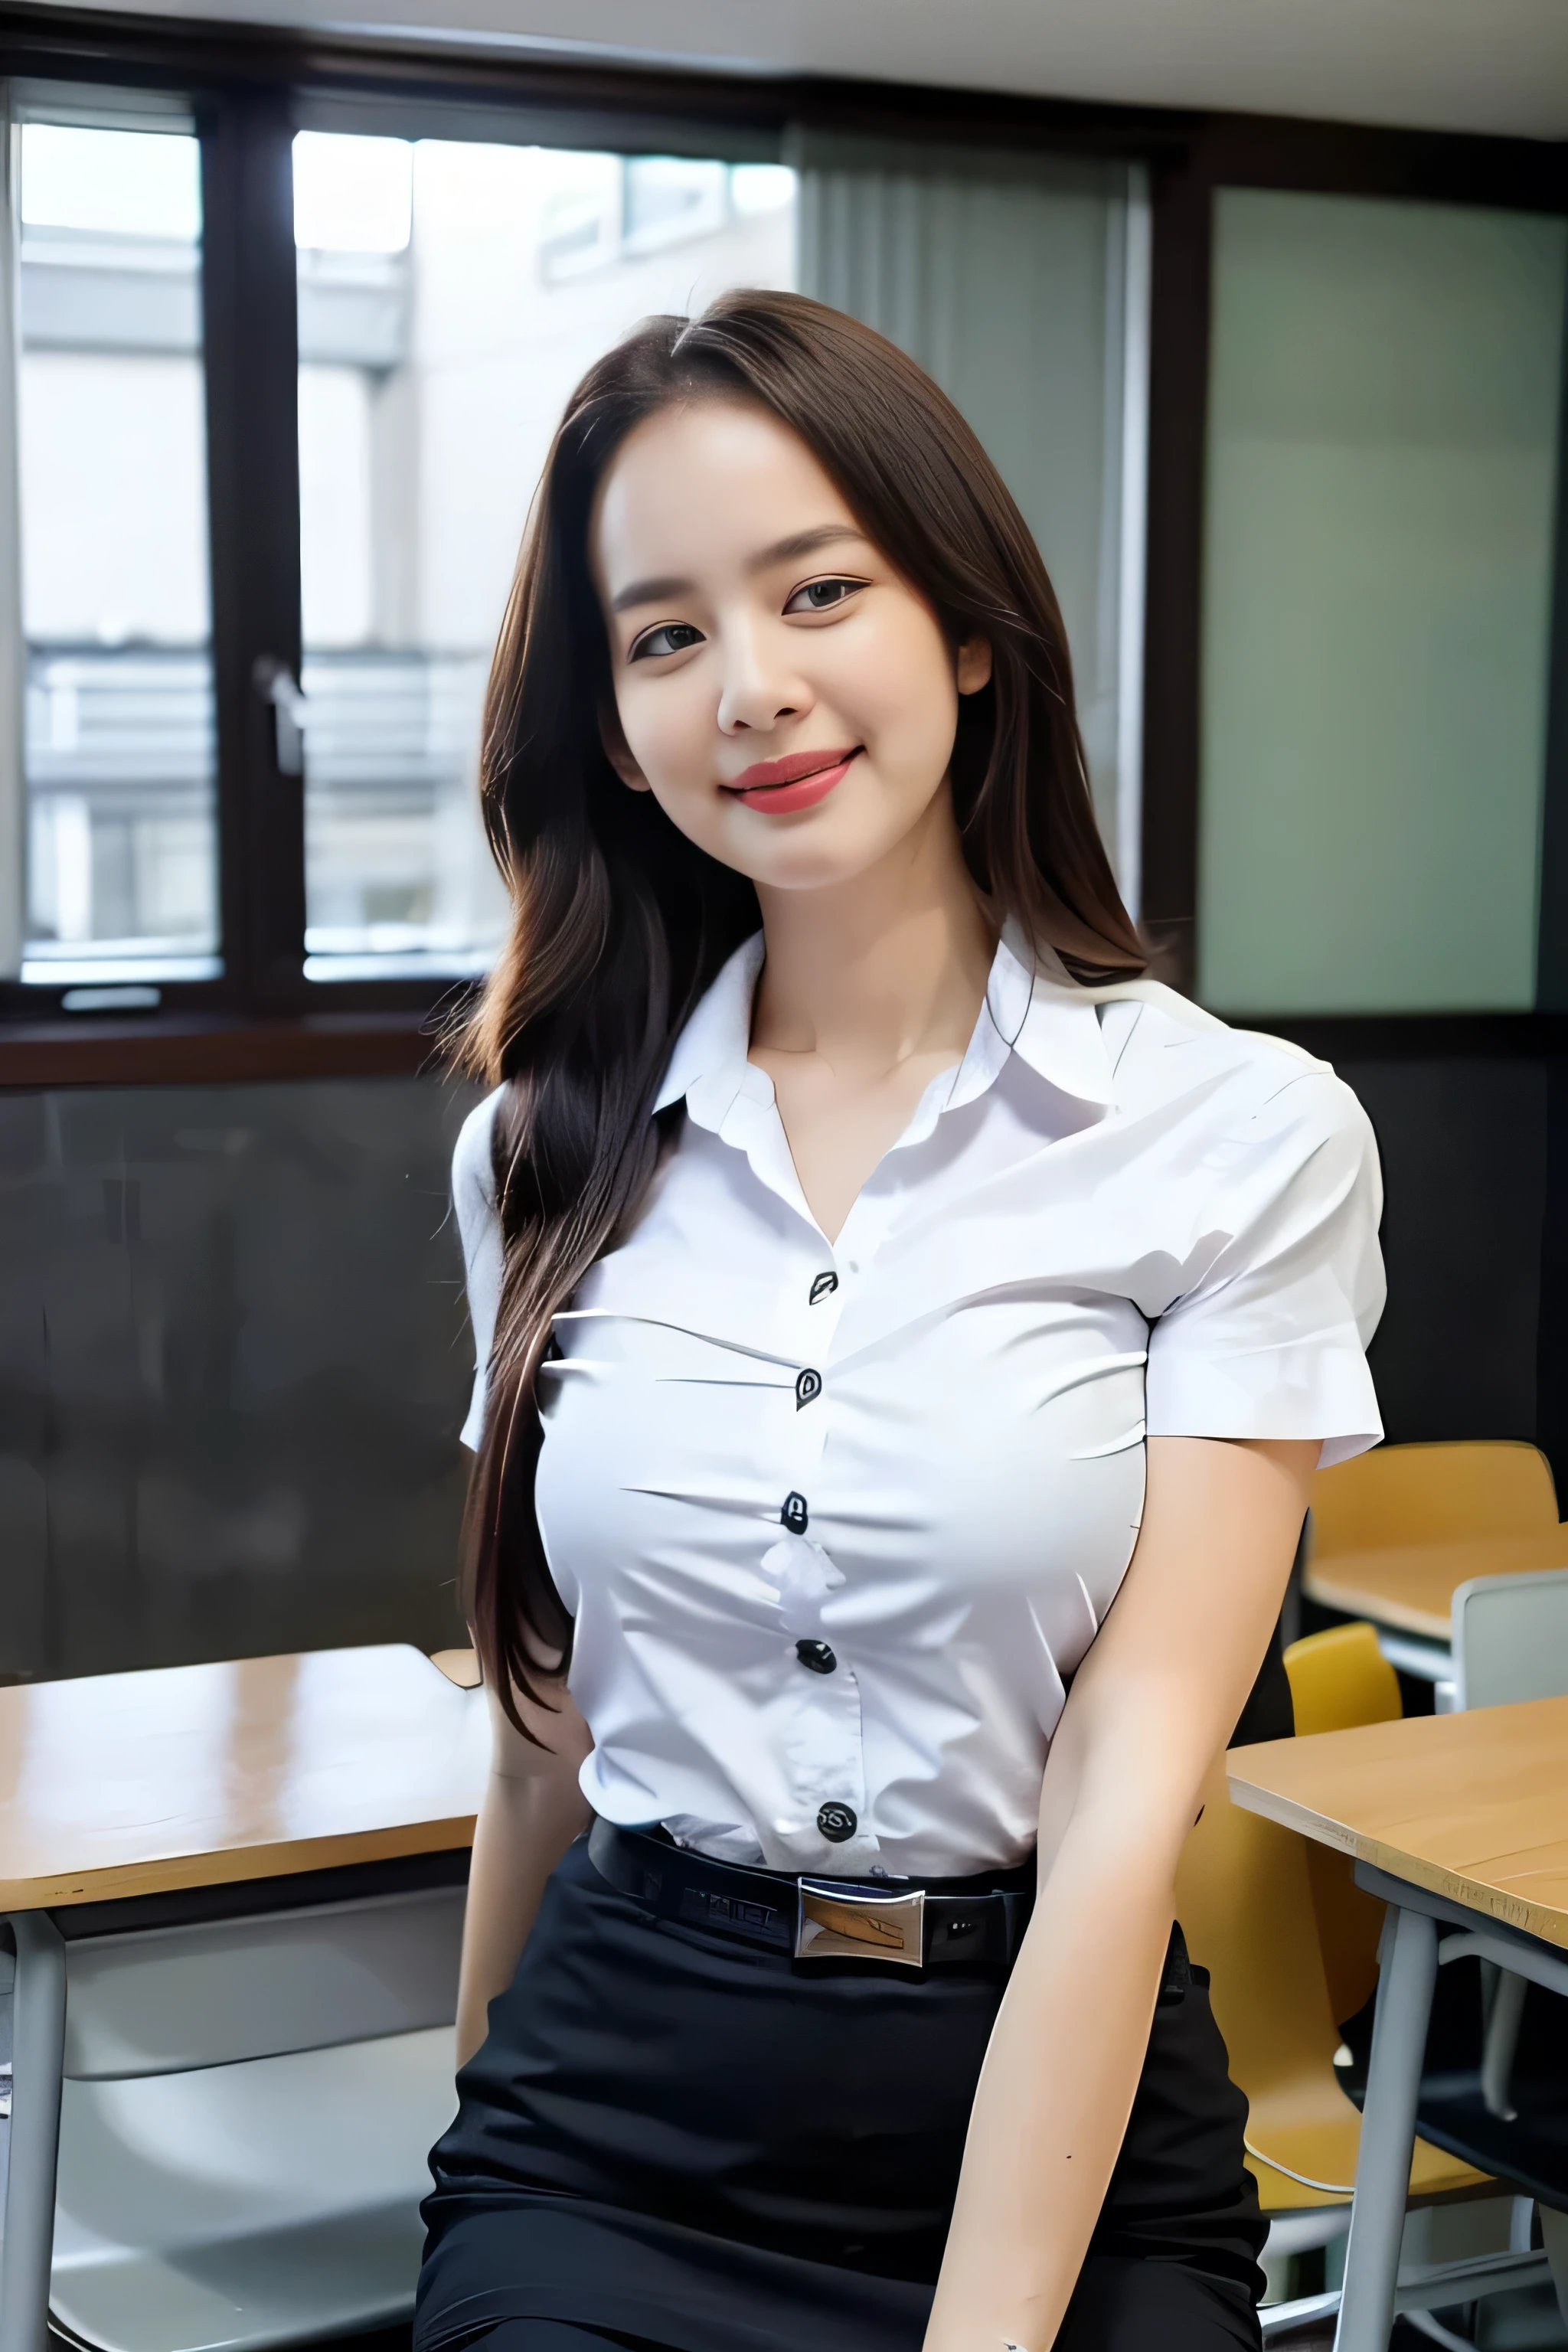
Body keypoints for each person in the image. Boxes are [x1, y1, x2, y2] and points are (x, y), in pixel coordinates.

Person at [414, 290, 1384, 2352]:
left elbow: (1127, 1824)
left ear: (962, 623)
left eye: (818, 590)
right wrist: (473, 2149)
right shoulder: (543, 1150)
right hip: (613, 2129)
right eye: (666, 636)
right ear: (613, 726)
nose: (751, 687)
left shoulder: (1239, 1136)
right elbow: (541, 1737)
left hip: (1058, 2118)